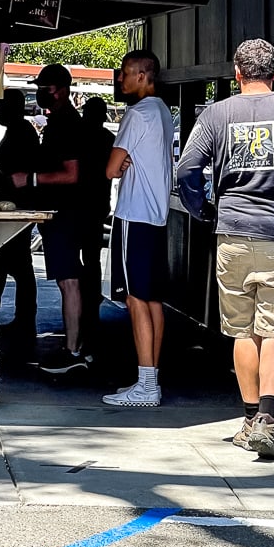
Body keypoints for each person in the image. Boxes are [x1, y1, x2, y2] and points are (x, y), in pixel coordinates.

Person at [176, 38, 274, 461]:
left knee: (242, 330)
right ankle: (267, 419)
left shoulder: (216, 113)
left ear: (237, 74)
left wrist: (205, 210)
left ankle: (249, 421)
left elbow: (187, 169)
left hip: (232, 234)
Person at [103, 50, 174, 407]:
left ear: (143, 76)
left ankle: (146, 386)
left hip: (133, 214)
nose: (121, 80)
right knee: (153, 299)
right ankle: (151, 380)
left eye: (126, 73)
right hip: (157, 215)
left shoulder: (137, 113)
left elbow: (110, 169)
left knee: (134, 299)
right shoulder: (162, 111)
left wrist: (121, 160)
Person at [13, 63, 86, 375]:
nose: (42, 92)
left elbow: (71, 174)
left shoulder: (66, 124)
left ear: (62, 89)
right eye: (40, 87)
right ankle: (74, 346)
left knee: (69, 281)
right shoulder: (59, 122)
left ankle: (73, 350)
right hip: (61, 212)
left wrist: (29, 180)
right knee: (66, 280)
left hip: (66, 213)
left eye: (47, 87)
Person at [0, 89, 40, 356]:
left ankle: (15, 319)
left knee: (11, 265)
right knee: (11, 265)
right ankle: (17, 319)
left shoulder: (22, 132)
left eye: (2, 105)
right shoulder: (18, 131)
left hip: (17, 206)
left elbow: (12, 172)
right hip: (12, 205)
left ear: (16, 108)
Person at [78, 96, 115, 360]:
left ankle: (81, 300)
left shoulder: (78, 136)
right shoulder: (107, 139)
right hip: (97, 203)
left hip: (76, 203)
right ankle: (91, 299)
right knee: (91, 257)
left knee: (75, 258)